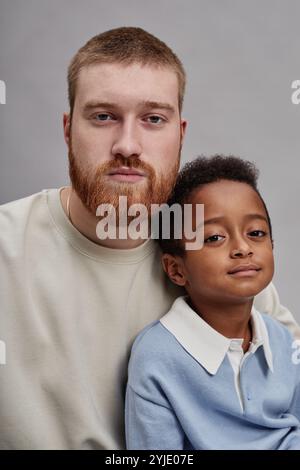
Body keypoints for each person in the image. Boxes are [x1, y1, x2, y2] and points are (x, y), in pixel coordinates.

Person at [0, 28, 299, 450]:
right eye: (103, 116)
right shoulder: (6, 248)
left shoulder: (217, 255)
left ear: (180, 133)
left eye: (153, 119)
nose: (127, 145)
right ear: (68, 130)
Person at [125, 155, 300, 450]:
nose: (243, 248)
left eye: (256, 233)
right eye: (215, 237)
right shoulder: (157, 356)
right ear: (176, 269)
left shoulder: (282, 338)